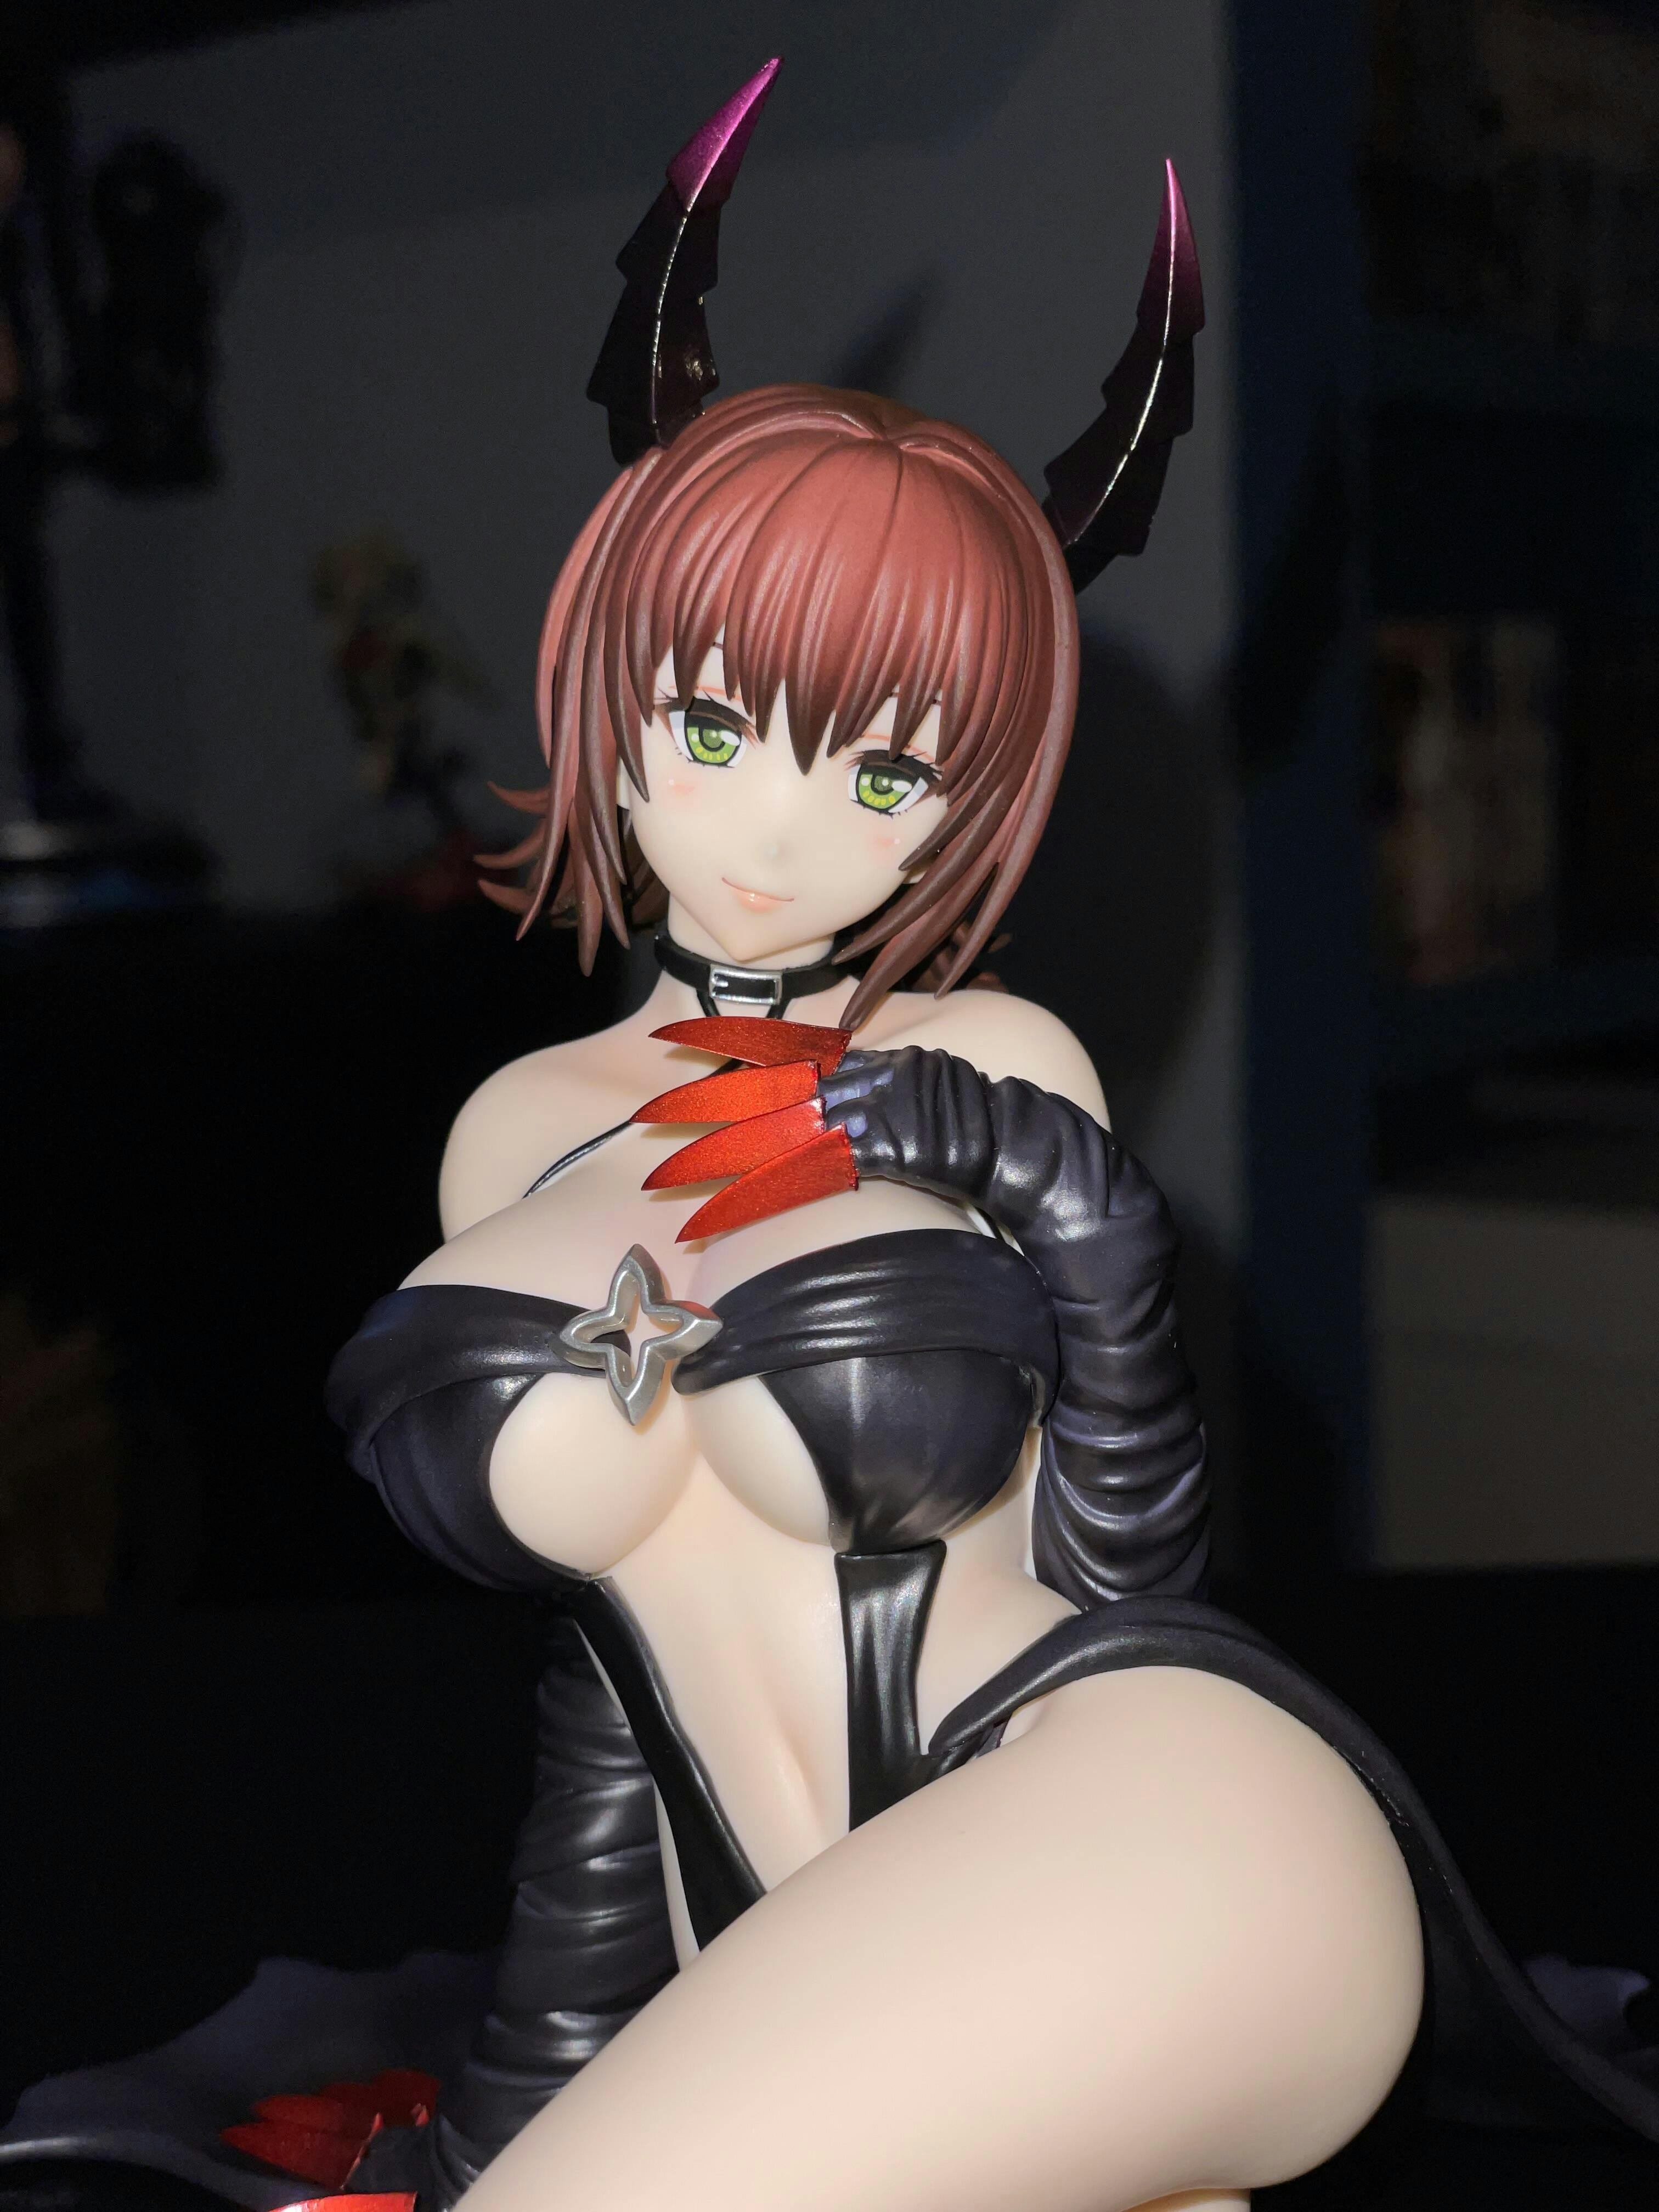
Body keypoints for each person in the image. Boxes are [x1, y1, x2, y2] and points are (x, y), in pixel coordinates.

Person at [328, 63, 1659, 2212]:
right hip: (802, 1976)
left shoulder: (1002, 1053)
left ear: (972, 801)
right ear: (612, 696)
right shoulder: (517, 1135)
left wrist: (1056, 1189)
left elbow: (1124, 1561)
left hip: (1145, 1819)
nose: (775, 834)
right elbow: (611, 1693)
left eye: (883, 776)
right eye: (711, 723)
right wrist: (531, 2071)